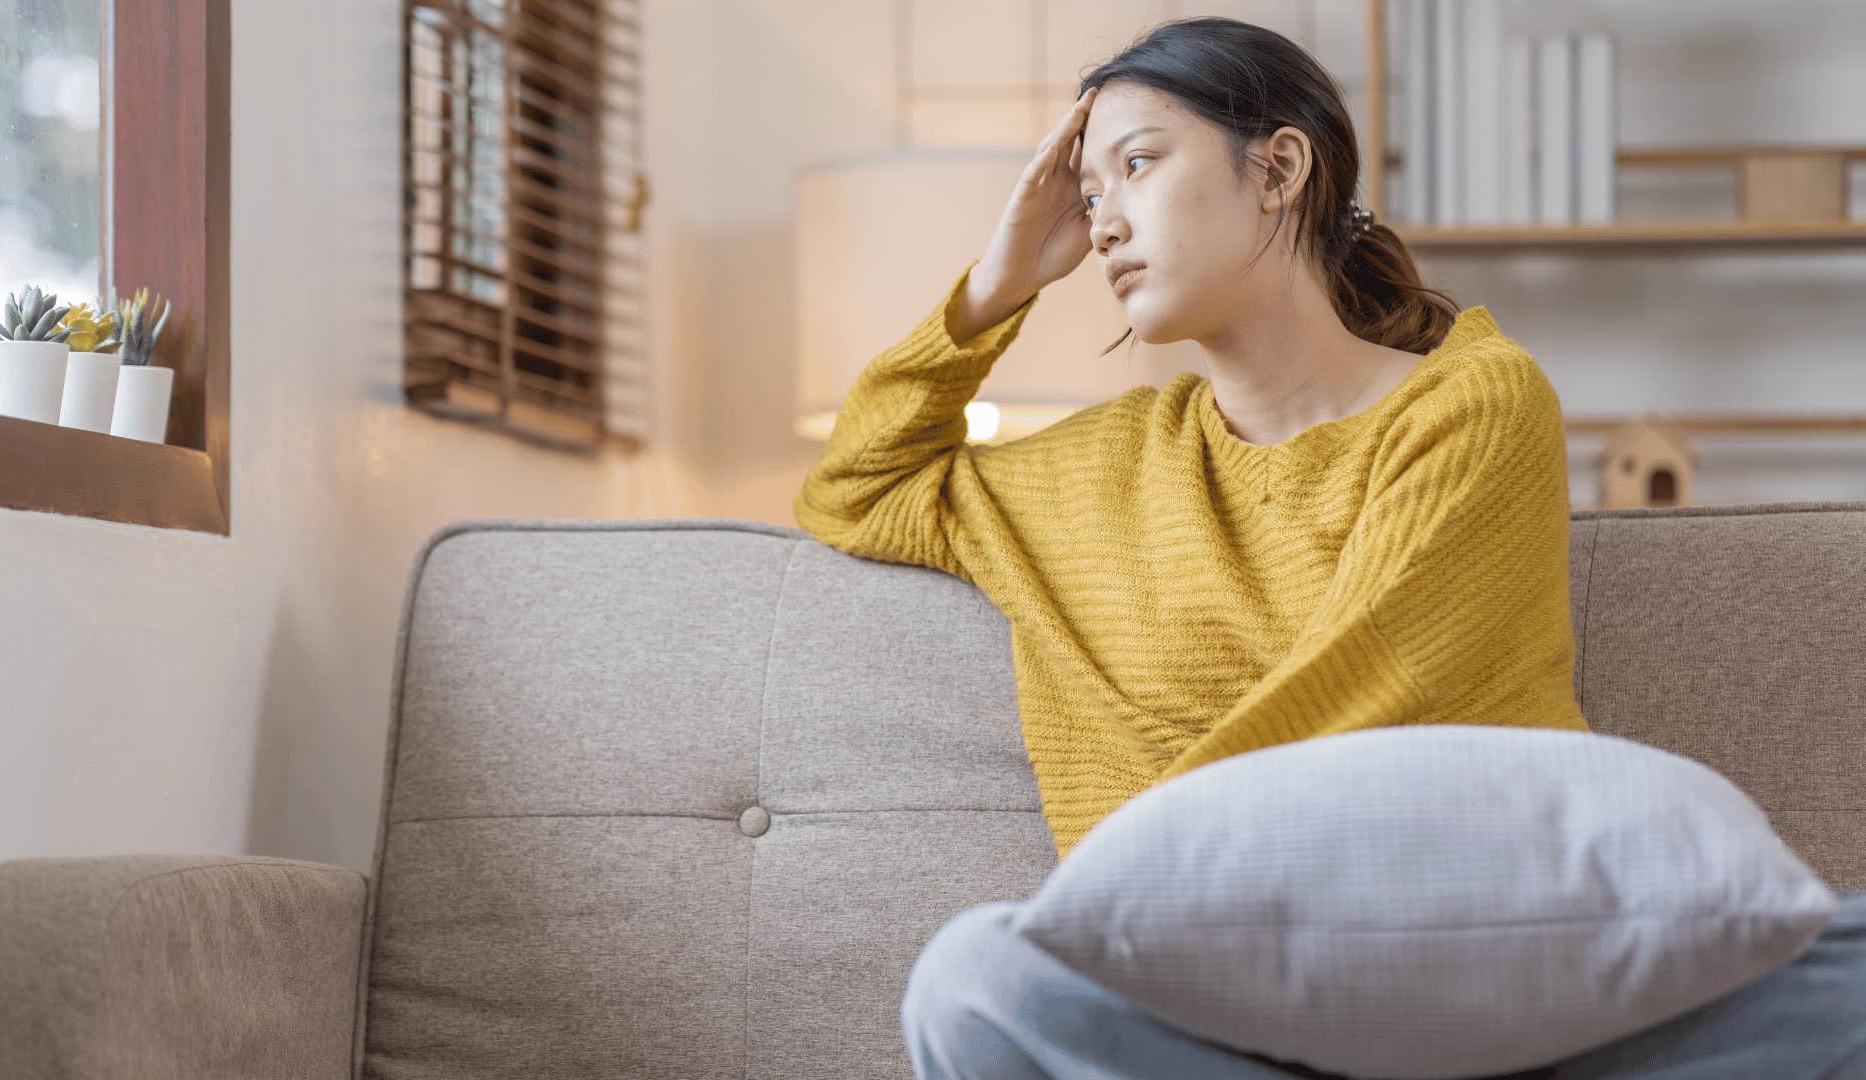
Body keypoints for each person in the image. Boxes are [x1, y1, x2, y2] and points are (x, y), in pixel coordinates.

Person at [792, 15, 1866, 1079]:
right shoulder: (1093, 469)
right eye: (1087, 200)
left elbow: (1376, 687)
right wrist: (999, 285)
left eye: (1137, 166)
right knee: (973, 978)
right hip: (1211, 1017)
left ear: (1280, 168)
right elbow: (858, 488)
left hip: (1506, 975)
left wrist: (1136, 864)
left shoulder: (1475, 402)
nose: (1105, 225)